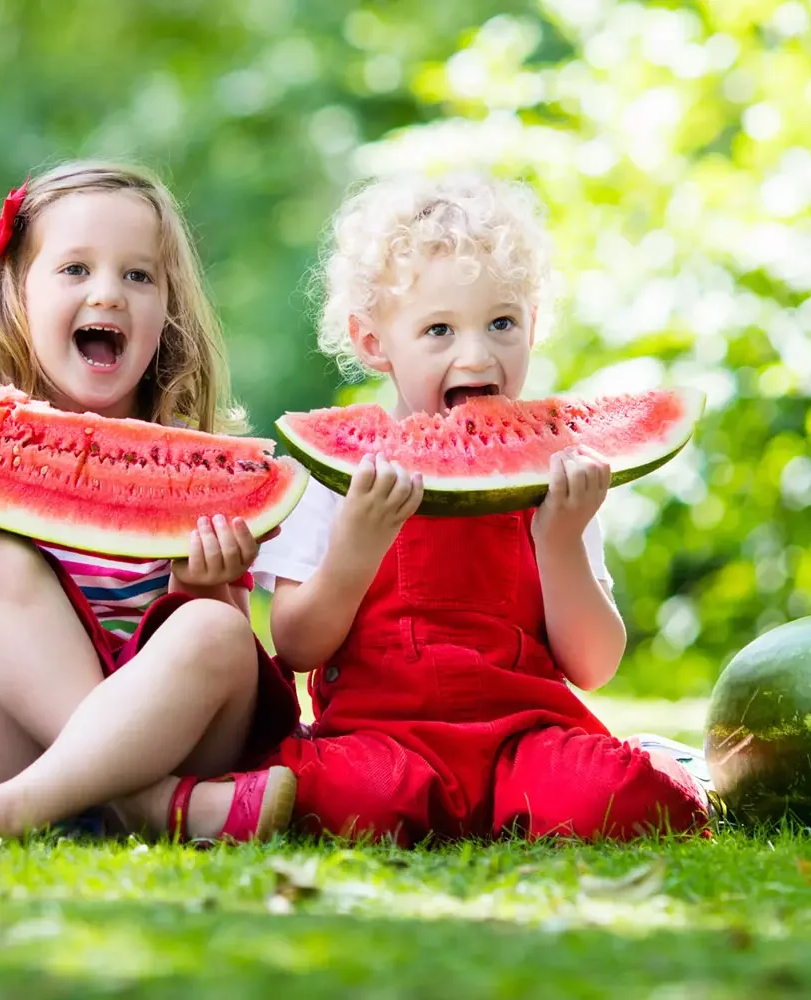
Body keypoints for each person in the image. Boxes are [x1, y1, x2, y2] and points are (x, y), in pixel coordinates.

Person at [254, 171, 711, 845]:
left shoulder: (558, 471)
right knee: (351, 798)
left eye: (502, 323)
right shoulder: (333, 476)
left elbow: (594, 664)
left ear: (534, 323)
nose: (477, 353)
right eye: (438, 330)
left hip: (525, 744)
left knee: (622, 797)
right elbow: (294, 644)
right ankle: (441, 809)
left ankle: (668, 768)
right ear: (373, 342)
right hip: (385, 745)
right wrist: (356, 547)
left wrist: (559, 540)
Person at [0, 162, 300, 842]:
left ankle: (13, 814)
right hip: (9, 746)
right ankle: (148, 806)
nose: (109, 294)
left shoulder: (199, 463)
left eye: (138, 275)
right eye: (75, 270)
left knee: (218, 631)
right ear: (18, 298)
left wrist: (201, 584)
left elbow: (226, 645)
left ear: (169, 308)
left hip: (166, 738)